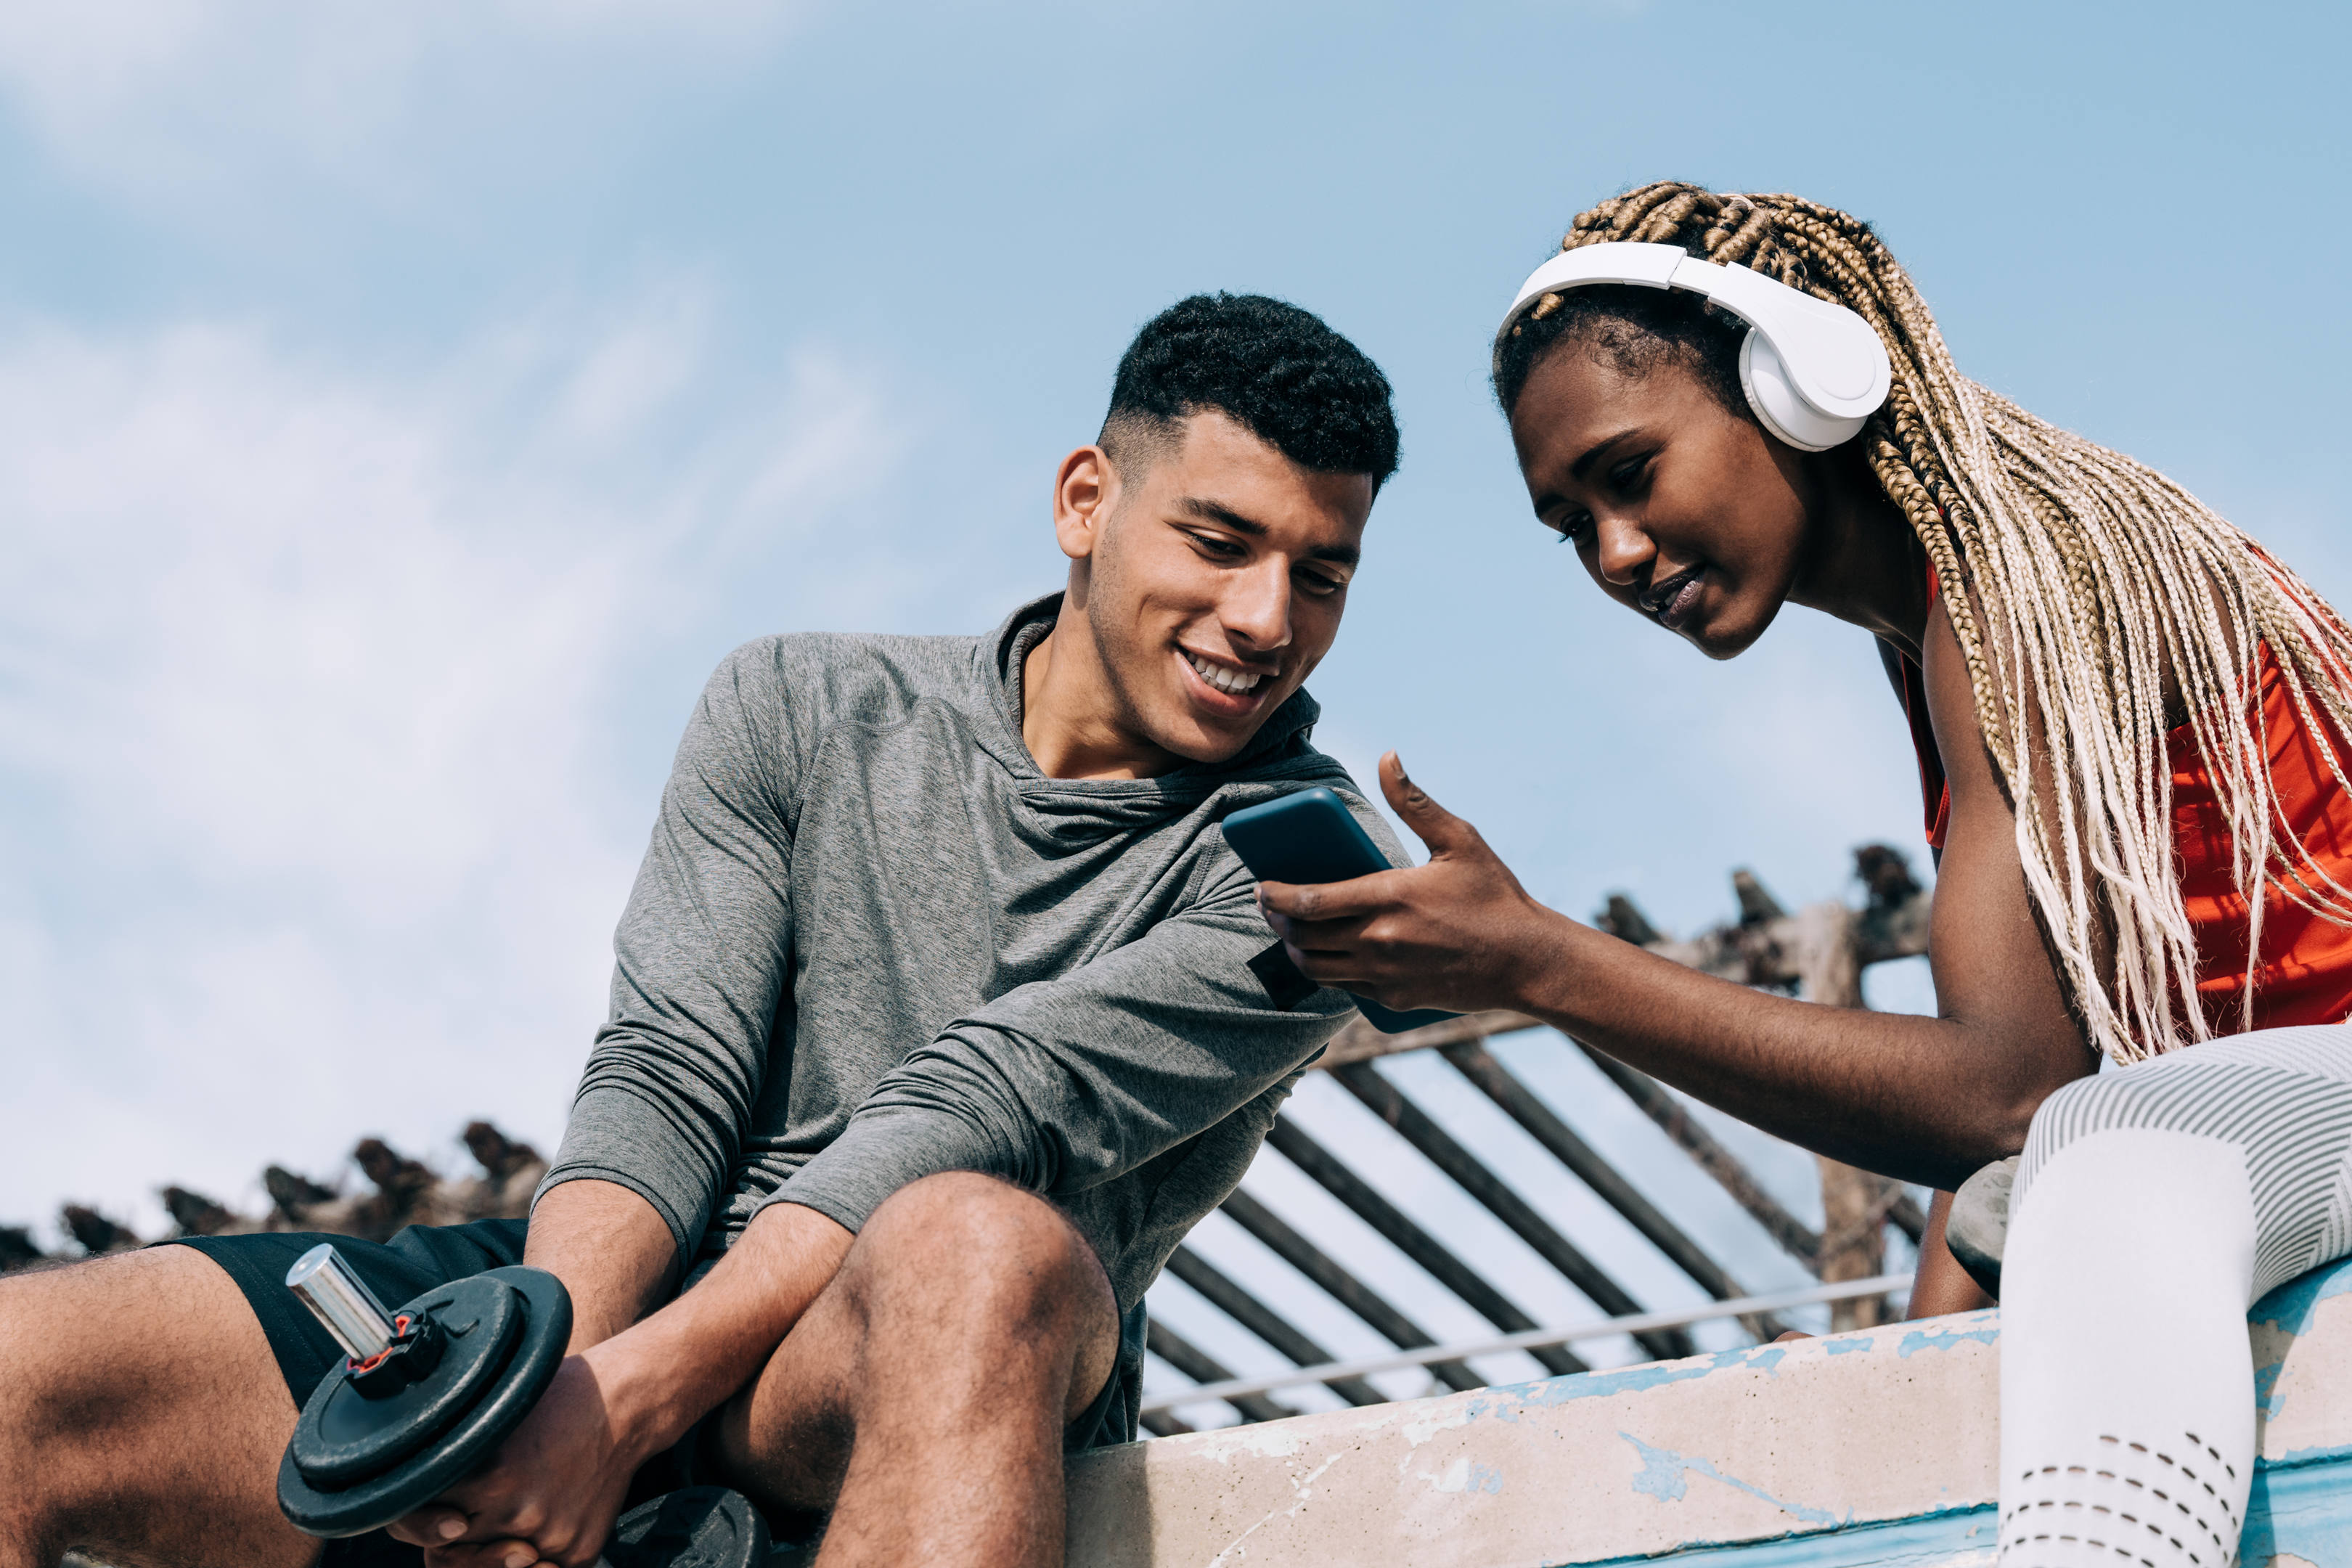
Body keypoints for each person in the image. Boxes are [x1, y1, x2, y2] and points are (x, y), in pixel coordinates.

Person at [0, 292, 1405, 1568]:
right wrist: (534, 1383)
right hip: (620, 1307)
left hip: (873, 1364)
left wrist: (618, 1407)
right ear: (1085, 500)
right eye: (1219, 544)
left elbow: (980, 1100)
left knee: (977, 1242)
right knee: (19, 1371)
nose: (1265, 617)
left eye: (1321, 575)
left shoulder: (1313, 885)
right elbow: (669, 1068)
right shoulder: (799, 703)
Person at [1257, 182, 2352, 1568]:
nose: (1614, 553)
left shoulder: (2026, 590)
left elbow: (2008, 1095)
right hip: (2277, 1113)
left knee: (2110, 1171)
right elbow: (2040, 1090)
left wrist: (1540, 961)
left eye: (1631, 473)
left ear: (1795, 376)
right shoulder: (1956, 619)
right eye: (1568, 523)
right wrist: (1898, 1396)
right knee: (2080, 1171)